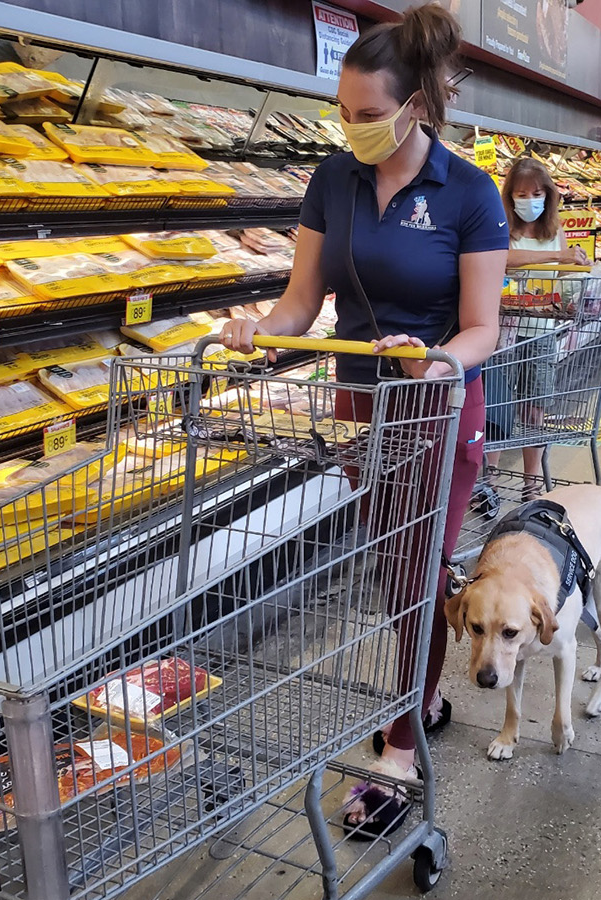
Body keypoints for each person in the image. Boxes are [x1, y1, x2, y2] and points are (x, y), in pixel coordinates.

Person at [218, 2, 508, 835]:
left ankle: (402, 747)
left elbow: (485, 324)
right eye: (342, 115)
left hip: (437, 409)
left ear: (417, 104)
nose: (354, 130)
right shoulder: (332, 178)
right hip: (358, 409)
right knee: (394, 571)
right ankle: (425, 692)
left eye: (371, 116)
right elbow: (300, 303)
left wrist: (439, 355)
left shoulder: (470, 192)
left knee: (416, 577)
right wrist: (254, 330)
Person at [473, 157, 583, 515]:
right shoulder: (499, 227)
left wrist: (573, 300)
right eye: (522, 194)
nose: (530, 200)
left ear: (548, 195)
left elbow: (564, 281)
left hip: (540, 333)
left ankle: (531, 483)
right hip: (501, 334)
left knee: (535, 409)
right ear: (510, 196)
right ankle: (488, 480)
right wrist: (558, 255)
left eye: (537, 193)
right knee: (497, 411)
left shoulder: (555, 230)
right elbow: (500, 258)